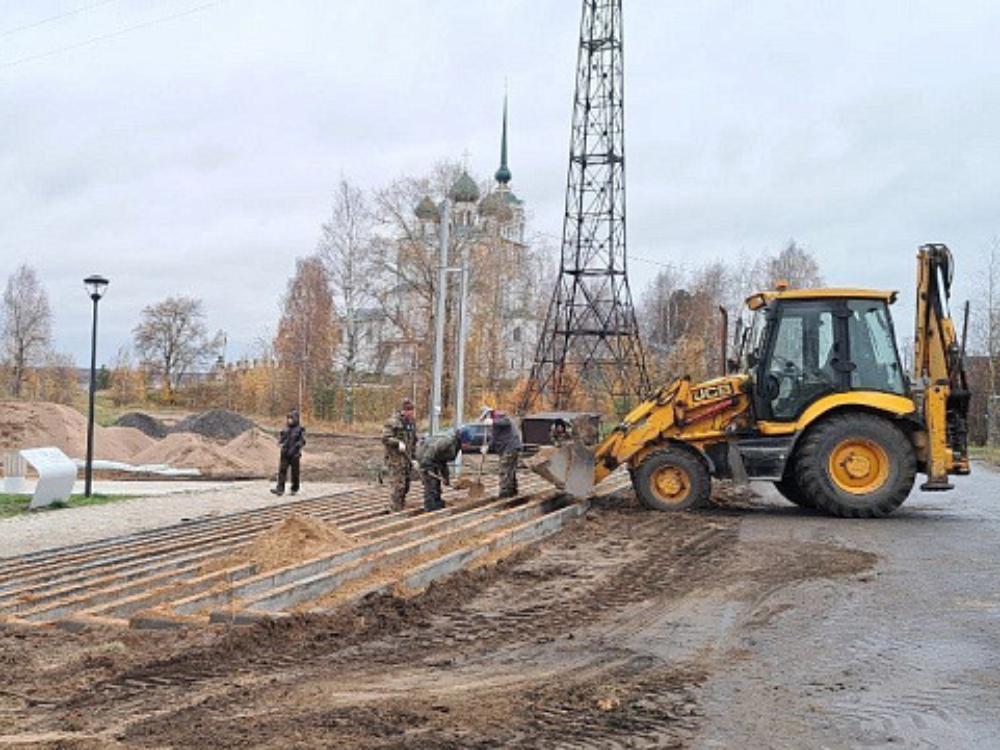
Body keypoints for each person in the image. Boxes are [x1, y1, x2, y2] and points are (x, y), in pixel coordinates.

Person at [381, 397, 417, 511]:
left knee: (406, 486)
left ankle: (401, 505)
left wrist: (414, 458)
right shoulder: (393, 422)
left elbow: (414, 441)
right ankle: (395, 509)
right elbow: (385, 438)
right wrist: (397, 443)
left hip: (407, 459)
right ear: (403, 411)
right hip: (395, 460)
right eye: (408, 410)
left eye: (412, 410)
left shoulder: (411, 423)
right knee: (398, 486)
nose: (410, 413)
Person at [480, 406, 522, 498]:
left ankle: (504, 492)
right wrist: (487, 446)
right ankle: (512, 490)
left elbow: (506, 422)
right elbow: (494, 438)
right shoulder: (495, 425)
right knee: (510, 470)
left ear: (489, 414)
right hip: (509, 448)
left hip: (510, 447)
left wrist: (493, 422)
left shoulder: (500, 416)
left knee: (504, 469)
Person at [415, 430, 461, 512]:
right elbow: (432, 449)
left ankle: (437, 501)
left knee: (436, 481)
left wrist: (446, 478)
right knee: (431, 482)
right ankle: (430, 505)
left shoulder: (456, 446)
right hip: (426, 457)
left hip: (434, 459)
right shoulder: (447, 442)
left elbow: (443, 462)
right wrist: (425, 465)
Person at [271, 409, 306, 496]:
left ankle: (295, 488)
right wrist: (280, 443)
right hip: (285, 453)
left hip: (294, 454)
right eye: (288, 418)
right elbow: (282, 438)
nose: (289, 420)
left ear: (295, 419)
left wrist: (297, 446)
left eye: (291, 418)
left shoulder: (299, 430)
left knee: (295, 473)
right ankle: (280, 489)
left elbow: (302, 441)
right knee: (282, 471)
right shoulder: (285, 429)